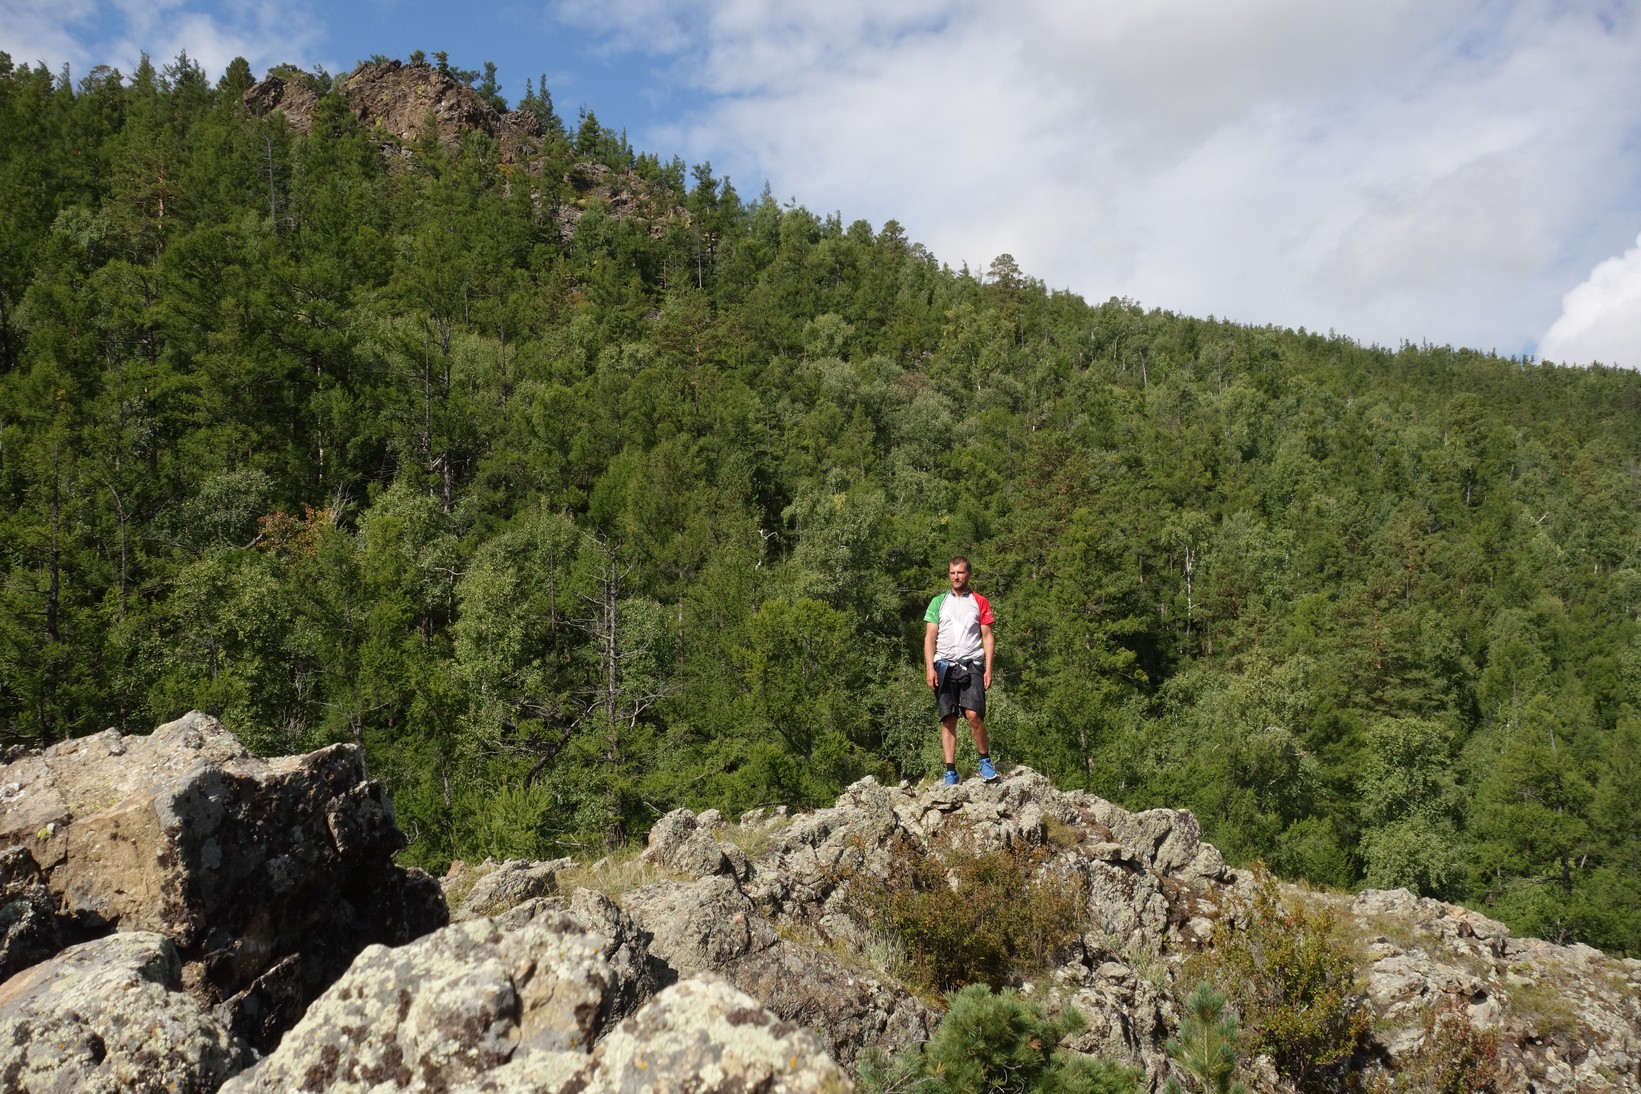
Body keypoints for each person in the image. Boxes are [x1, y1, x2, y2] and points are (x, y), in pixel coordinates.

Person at [923, 556, 998, 785]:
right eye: (953, 573)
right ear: (949, 575)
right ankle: (950, 771)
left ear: (969, 574)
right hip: (944, 665)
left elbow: (988, 637)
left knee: (973, 715)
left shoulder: (979, 601)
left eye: (961, 572)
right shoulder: (938, 602)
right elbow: (929, 638)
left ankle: (985, 761)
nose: (956, 577)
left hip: (972, 664)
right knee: (948, 718)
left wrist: (988, 669)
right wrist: (930, 669)